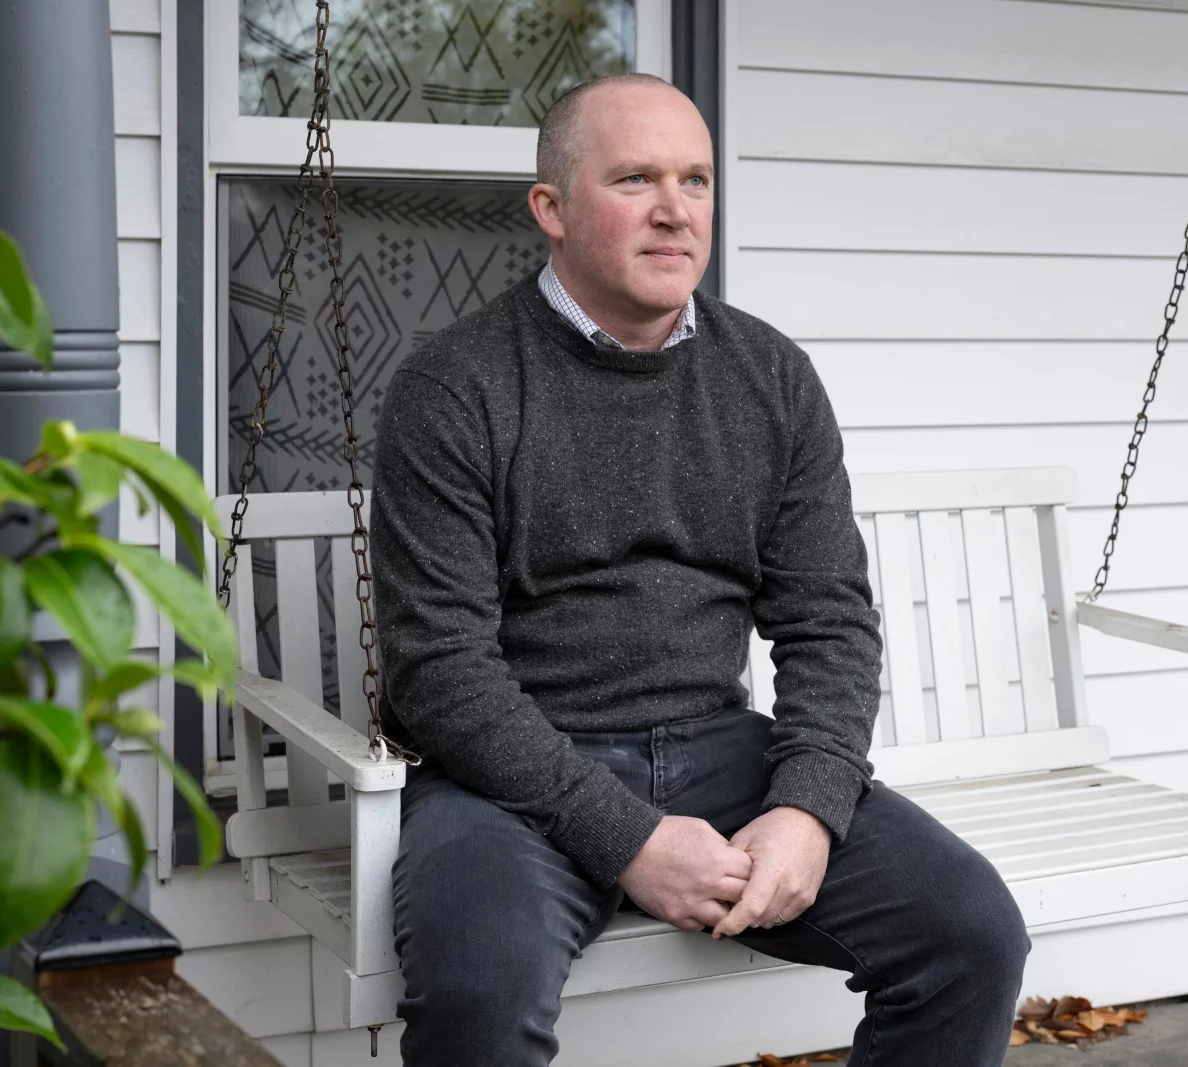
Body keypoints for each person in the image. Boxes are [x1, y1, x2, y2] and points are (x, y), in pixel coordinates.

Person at [370, 72, 1029, 1067]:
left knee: (972, 933)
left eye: (697, 179)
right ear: (550, 207)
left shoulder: (767, 375)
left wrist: (807, 805)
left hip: (724, 753)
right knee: (477, 994)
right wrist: (629, 837)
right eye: (635, 178)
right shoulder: (454, 387)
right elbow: (441, 673)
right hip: (510, 778)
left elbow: (828, 621)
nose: (676, 209)